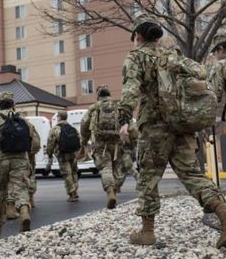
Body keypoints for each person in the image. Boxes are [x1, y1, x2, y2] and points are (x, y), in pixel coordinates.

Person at [118, 13, 226, 248]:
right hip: (182, 125)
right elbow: (202, 72)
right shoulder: (173, 56)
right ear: (156, 35)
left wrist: (124, 118)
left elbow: (131, 88)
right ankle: (224, 216)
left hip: (154, 129)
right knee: (193, 175)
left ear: (137, 35)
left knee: (148, 178)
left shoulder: (136, 57)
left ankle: (147, 232)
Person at [0, 91, 35, 240]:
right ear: (13, 104)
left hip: (0, 160)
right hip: (20, 159)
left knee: (0, 194)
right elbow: (31, 139)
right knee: (20, 188)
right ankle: (24, 210)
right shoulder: (23, 119)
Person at [81, 85, 136, 209]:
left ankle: (110, 192)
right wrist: (133, 142)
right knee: (118, 170)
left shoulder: (94, 108)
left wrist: (84, 141)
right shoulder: (118, 106)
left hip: (100, 144)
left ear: (98, 96)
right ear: (109, 94)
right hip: (117, 144)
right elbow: (130, 125)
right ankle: (115, 190)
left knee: (105, 169)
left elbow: (84, 125)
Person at [6, 124, 40, 219]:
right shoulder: (28, 125)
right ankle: (29, 202)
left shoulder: (1, 122)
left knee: (10, 180)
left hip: (6, 156)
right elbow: (36, 142)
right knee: (29, 175)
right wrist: (31, 153)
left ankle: (10, 206)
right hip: (25, 154)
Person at [46, 111, 80, 202]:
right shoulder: (72, 128)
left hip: (62, 155)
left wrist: (49, 154)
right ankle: (76, 191)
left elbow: (50, 143)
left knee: (67, 173)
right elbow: (79, 139)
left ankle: (71, 194)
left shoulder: (55, 129)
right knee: (74, 172)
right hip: (73, 153)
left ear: (59, 117)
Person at [208, 28, 226, 105]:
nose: (214, 54)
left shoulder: (221, 65)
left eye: (214, 51)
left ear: (221, 49)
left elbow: (215, 96)